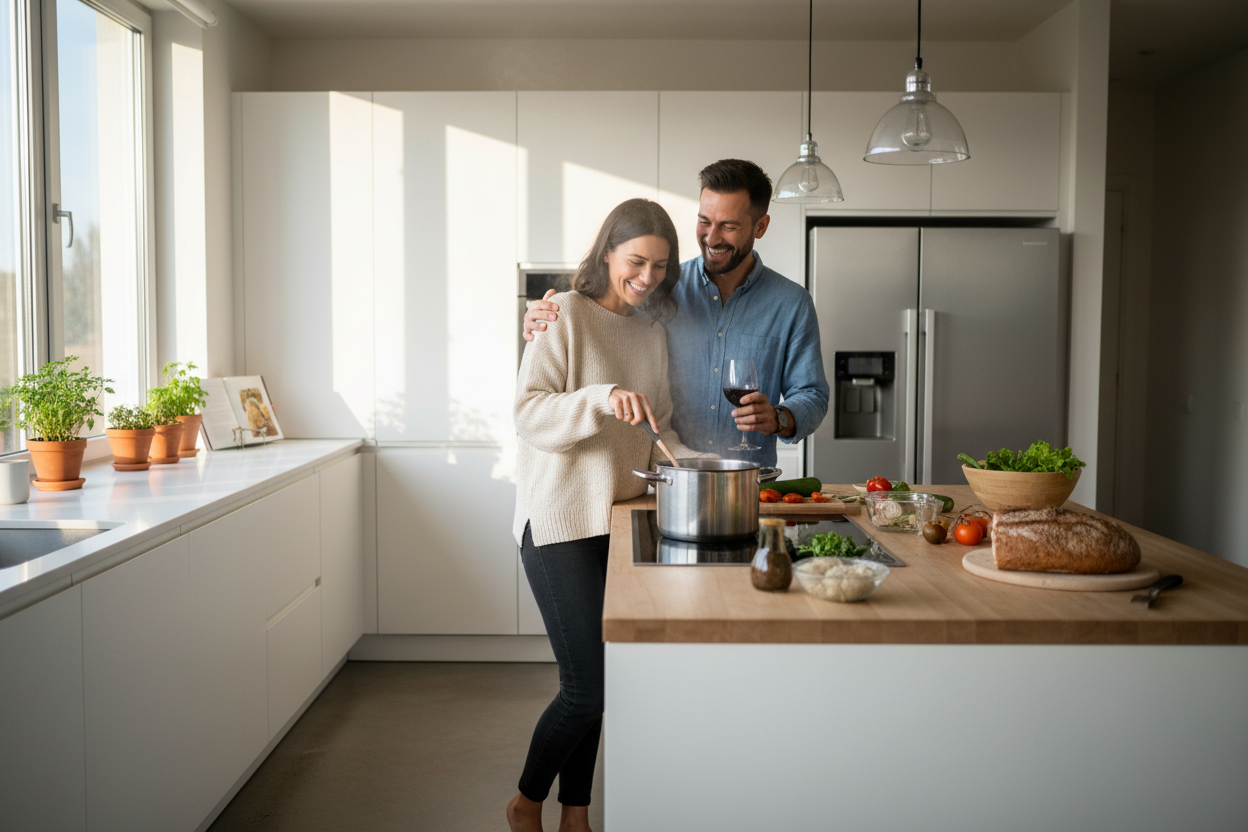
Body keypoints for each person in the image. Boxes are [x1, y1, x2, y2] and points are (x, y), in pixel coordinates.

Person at [508, 198, 702, 832]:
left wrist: (709, 466)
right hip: (559, 522)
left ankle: (576, 814)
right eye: (636, 262)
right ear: (608, 255)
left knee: (602, 685)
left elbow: (661, 428)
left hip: (617, 522)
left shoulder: (651, 332)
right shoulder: (563, 314)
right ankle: (526, 801)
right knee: (585, 688)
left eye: (660, 267)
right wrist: (599, 398)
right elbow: (529, 413)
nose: (647, 277)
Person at [525, 159, 829, 469]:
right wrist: (541, 313)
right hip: (666, 483)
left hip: (746, 485)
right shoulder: (658, 287)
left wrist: (779, 418)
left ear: (760, 227)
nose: (712, 238)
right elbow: (603, 315)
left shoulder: (792, 303)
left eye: (729, 226)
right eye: (704, 221)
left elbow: (812, 394)